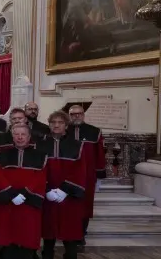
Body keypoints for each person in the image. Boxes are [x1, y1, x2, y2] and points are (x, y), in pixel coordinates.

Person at [0, 124, 48, 259]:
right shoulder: (1, 154)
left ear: (29, 137)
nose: (19, 137)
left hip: (28, 201)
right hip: (9, 201)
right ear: (12, 136)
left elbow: (40, 176)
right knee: (8, 231)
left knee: (28, 232)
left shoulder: (41, 156)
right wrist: (11, 193)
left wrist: (25, 193)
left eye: (23, 134)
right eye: (16, 134)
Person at [39, 111, 86, 259]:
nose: (56, 125)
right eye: (53, 122)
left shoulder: (77, 145)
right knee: (48, 232)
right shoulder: (40, 145)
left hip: (68, 196)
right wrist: (47, 190)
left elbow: (80, 170)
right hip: (49, 195)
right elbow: (37, 169)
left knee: (70, 232)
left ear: (66, 125)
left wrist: (65, 190)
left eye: (60, 122)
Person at [67, 104, 106, 246]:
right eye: (73, 114)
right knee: (69, 205)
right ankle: (68, 233)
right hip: (67, 175)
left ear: (83, 115)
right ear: (69, 115)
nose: (77, 116)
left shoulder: (94, 131)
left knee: (85, 206)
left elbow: (100, 155)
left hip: (87, 176)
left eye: (80, 113)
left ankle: (81, 234)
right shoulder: (63, 131)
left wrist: (100, 176)